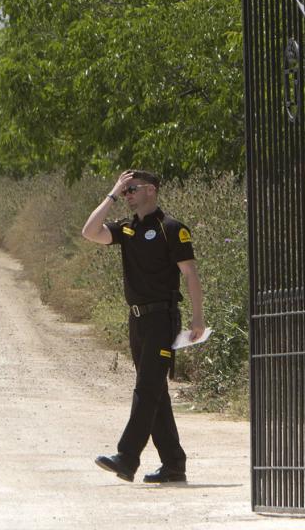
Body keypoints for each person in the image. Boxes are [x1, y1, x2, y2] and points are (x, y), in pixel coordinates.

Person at [80, 169, 206, 484]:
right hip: (137, 319)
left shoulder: (171, 229)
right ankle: (174, 464)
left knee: (147, 388)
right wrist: (111, 192)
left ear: (150, 190)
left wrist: (197, 317)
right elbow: (90, 232)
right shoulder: (127, 229)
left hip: (162, 318)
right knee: (155, 391)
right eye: (125, 191)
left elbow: (190, 274)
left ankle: (128, 456)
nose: (128, 196)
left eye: (132, 189)